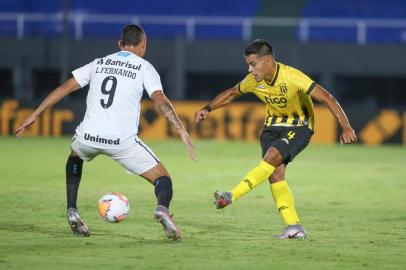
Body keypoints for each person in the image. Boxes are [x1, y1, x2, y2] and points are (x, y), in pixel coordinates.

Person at [15, 24, 195, 241]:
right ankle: (162, 209)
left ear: (120, 44)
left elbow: (65, 88)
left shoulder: (98, 63)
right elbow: (160, 100)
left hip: (88, 137)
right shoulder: (144, 67)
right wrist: (180, 129)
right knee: (163, 179)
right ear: (143, 46)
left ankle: (72, 209)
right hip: (122, 142)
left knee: (75, 156)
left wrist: (35, 114)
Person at [195, 39, 357, 239]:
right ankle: (294, 227)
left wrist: (346, 126)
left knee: (271, 158)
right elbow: (231, 93)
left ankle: (231, 195)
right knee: (274, 174)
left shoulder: (292, 76)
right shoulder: (253, 80)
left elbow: (326, 98)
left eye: (253, 64)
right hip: (272, 128)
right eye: (248, 64)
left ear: (268, 61)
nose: (249, 69)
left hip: (299, 126)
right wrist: (207, 108)